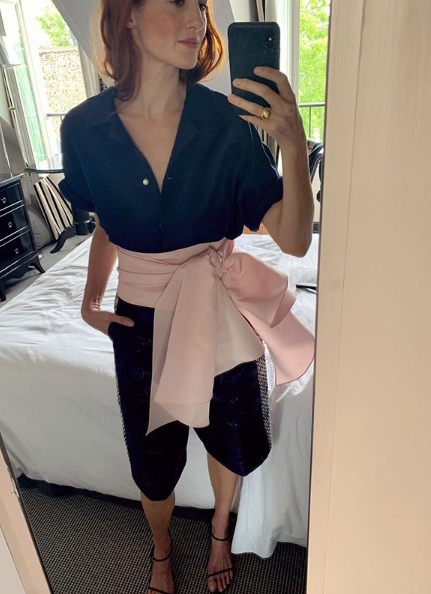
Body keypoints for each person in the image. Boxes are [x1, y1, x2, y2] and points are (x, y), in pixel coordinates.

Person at [58, 1, 315, 592]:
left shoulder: (227, 122)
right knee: (152, 460)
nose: (196, 18)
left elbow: (296, 239)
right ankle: (162, 546)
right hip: (139, 324)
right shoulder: (83, 129)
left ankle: (221, 530)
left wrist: (295, 147)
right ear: (127, 15)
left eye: (200, 4)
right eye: (176, 2)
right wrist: (91, 301)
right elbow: (106, 221)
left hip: (218, 311)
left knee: (228, 435)